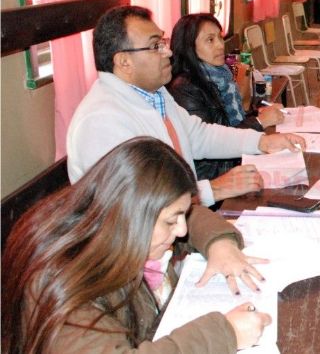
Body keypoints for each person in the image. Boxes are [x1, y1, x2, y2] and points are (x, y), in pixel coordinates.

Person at [2, 137, 271, 353]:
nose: (182, 230)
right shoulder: (60, 286)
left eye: (181, 214)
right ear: (132, 217)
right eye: (171, 221)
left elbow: (194, 216)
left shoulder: (114, 229)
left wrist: (220, 244)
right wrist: (227, 334)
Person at [66, 5, 306, 207]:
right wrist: (212, 190)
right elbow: (136, 204)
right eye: (155, 46)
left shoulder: (154, 94)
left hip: (183, 220)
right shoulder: (101, 120)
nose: (168, 52)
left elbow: (198, 135)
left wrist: (261, 142)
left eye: (164, 42)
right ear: (124, 61)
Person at [167, 13, 284, 179]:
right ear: (189, 47)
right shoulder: (185, 88)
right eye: (210, 40)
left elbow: (228, 120)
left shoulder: (221, 75)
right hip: (217, 175)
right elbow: (212, 143)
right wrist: (260, 122)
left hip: (233, 161)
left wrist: (260, 113)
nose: (220, 45)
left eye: (220, 38)